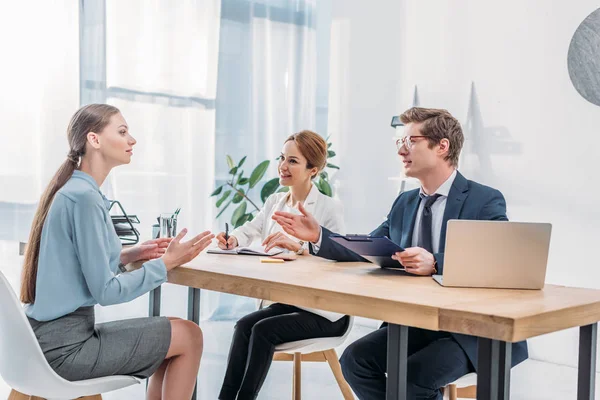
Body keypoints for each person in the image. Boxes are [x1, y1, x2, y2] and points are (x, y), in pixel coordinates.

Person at [272, 107, 528, 400]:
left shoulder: (483, 199)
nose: (401, 151)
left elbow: (498, 258)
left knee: (414, 378)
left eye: (410, 141)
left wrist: (436, 263)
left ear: (442, 146)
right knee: (355, 362)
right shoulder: (404, 203)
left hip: (471, 330)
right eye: (399, 143)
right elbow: (367, 246)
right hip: (418, 323)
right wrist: (318, 235)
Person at [21, 104, 214, 400]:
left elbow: (76, 261)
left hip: (43, 340)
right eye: (122, 132)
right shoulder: (85, 198)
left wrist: (129, 255)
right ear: (94, 140)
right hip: (65, 349)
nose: (132, 140)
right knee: (190, 336)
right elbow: (106, 292)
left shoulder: (75, 190)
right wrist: (165, 264)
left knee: (177, 328)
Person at [217, 130, 349, 400]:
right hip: (288, 302)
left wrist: (300, 246)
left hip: (324, 311)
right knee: (244, 325)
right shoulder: (275, 201)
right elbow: (250, 229)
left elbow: (342, 258)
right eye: (282, 158)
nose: (282, 166)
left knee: (263, 330)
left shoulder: (328, 207)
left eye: (293, 161)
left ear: (313, 169)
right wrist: (232, 239)